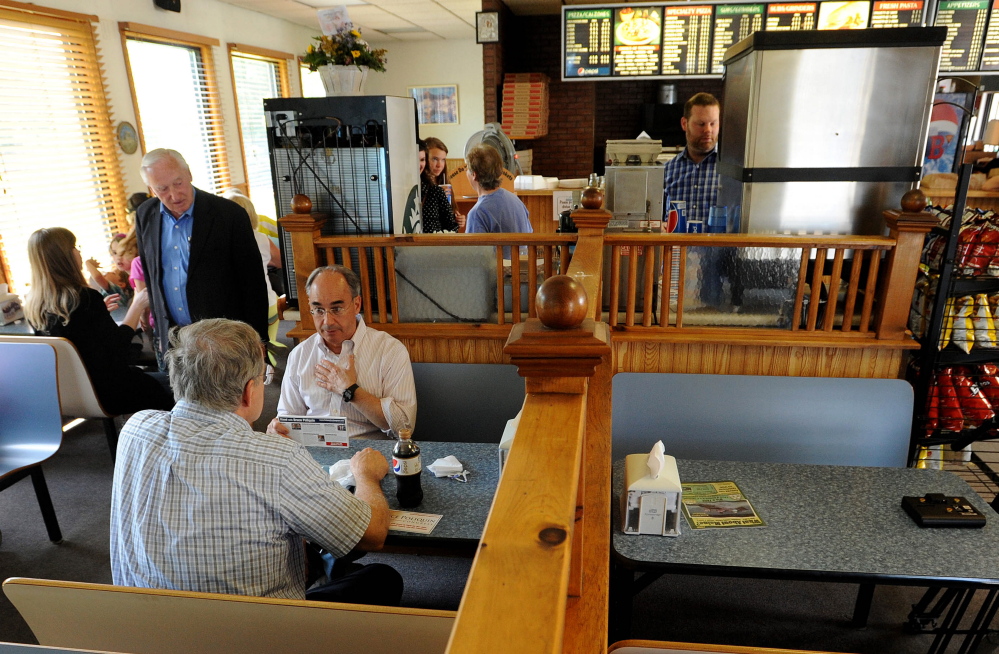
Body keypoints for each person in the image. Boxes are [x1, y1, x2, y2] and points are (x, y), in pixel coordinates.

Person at [110, 318, 402, 605]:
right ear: (249, 391)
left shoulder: (136, 430)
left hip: (144, 629)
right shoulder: (278, 460)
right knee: (381, 577)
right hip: (256, 638)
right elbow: (372, 535)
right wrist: (365, 476)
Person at [134, 149, 268, 364]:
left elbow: (252, 283)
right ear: (151, 188)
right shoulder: (145, 215)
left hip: (222, 338)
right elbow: (151, 275)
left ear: (189, 174)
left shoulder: (228, 215)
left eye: (178, 183)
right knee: (179, 398)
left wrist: (258, 339)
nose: (174, 195)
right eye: (162, 189)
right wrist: (157, 328)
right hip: (173, 339)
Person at [24, 227, 173, 416]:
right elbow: (119, 350)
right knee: (184, 388)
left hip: (70, 395)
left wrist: (98, 311)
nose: (78, 252)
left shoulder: (35, 306)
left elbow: (78, 333)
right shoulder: (85, 298)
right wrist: (136, 307)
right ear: (65, 256)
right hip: (111, 392)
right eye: (74, 246)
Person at [268, 265, 416, 440]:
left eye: (336, 309)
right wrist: (278, 429)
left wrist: (351, 390)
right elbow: (288, 420)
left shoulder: (389, 350)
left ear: (356, 304)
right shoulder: (300, 354)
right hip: (314, 455)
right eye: (318, 310)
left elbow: (404, 427)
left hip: (370, 455)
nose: (327, 321)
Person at [663, 93, 722, 305]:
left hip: (718, 266)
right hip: (675, 265)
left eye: (713, 123)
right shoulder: (668, 171)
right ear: (684, 123)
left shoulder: (730, 170)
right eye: (701, 124)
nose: (708, 130)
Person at [222, 189, 282, 349]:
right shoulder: (261, 238)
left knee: (244, 351)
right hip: (267, 303)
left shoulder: (219, 243)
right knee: (268, 347)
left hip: (236, 308)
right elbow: (280, 262)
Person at [464, 144, 532, 236]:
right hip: (523, 251)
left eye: (467, 168)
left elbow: (474, 249)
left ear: (474, 175)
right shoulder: (516, 201)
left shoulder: (478, 213)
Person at [418, 139, 462, 233]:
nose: (439, 165)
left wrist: (458, 220)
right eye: (435, 159)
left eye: (443, 160)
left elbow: (449, 222)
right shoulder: (420, 186)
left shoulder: (443, 186)